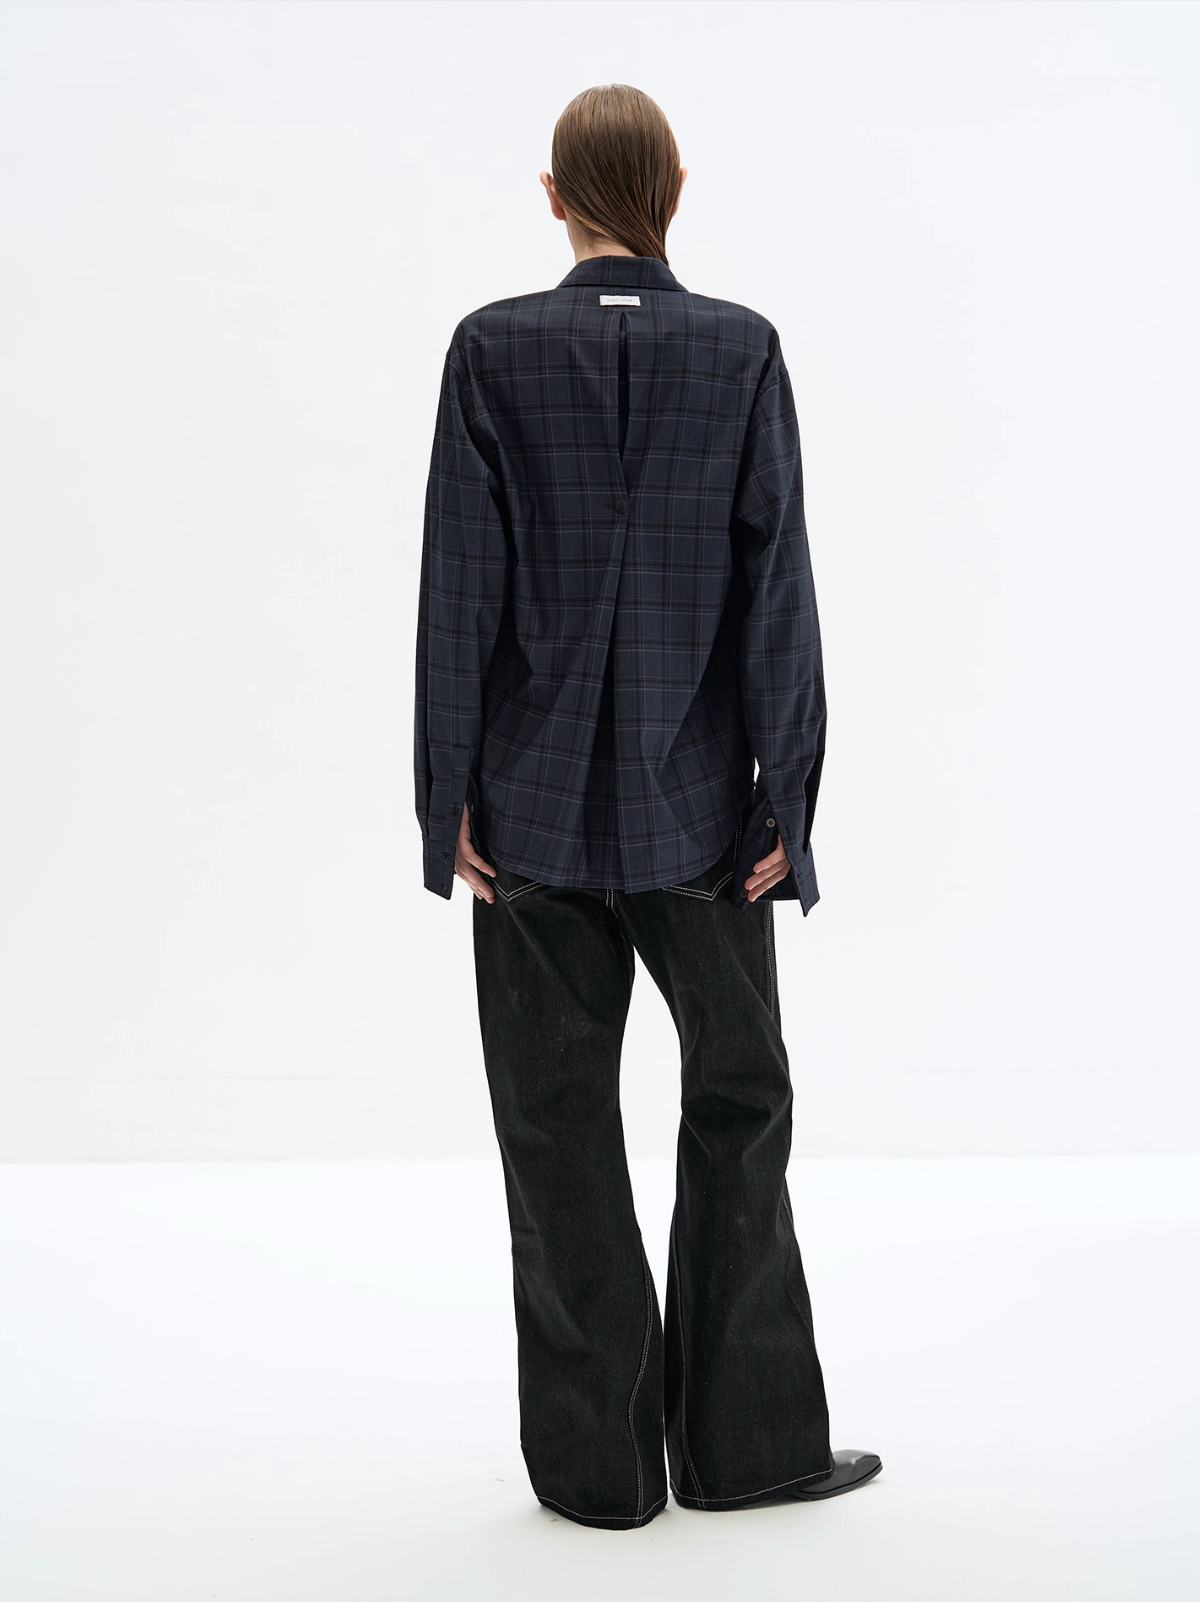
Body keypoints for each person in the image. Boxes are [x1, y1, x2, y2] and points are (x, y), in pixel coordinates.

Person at [414, 83, 880, 1531]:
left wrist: (444, 800)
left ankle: (601, 1476)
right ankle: (749, 1451)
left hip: (528, 813)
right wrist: (790, 797)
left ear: (554, 195)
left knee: (552, 1123)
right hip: (709, 817)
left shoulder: (490, 349)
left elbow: (457, 591)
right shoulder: (742, 349)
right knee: (740, 1105)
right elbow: (779, 589)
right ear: (675, 187)